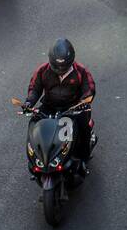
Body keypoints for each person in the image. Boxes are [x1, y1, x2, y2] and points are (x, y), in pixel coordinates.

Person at [24, 39, 97, 173]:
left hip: (73, 108)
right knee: (33, 123)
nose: (60, 71)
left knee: (84, 127)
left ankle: (84, 158)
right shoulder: (42, 70)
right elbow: (35, 88)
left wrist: (82, 103)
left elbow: (89, 89)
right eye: (57, 67)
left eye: (64, 67)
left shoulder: (81, 71)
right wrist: (29, 102)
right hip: (49, 106)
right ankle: (37, 157)